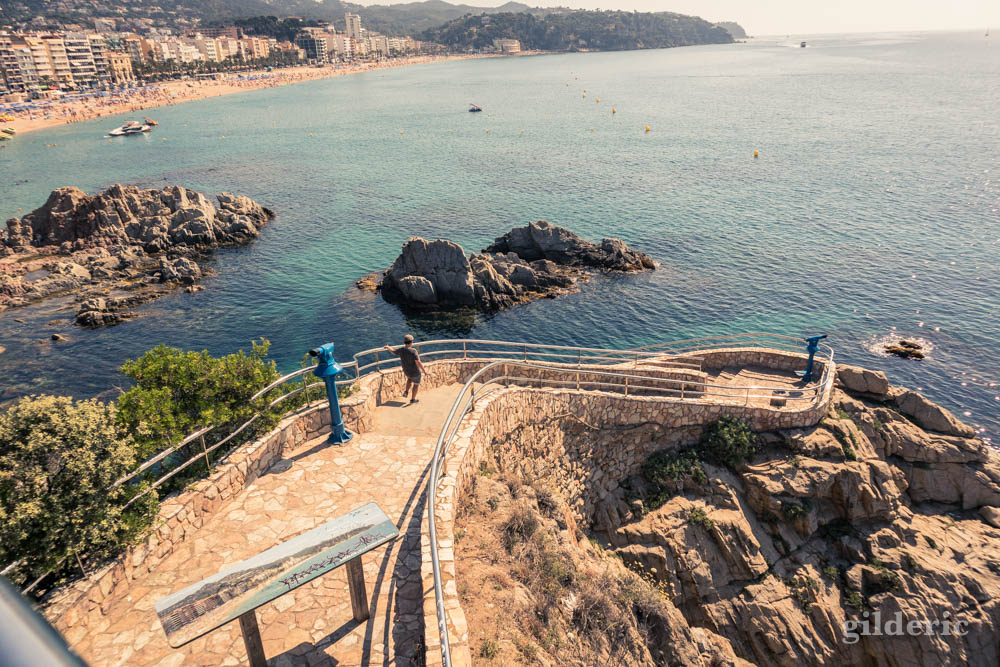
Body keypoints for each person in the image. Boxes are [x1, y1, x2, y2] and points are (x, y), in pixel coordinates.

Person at [384, 334, 425, 403]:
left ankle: (406, 391)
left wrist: (388, 347)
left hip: (406, 371)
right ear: (411, 342)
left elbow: (393, 352)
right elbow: (418, 362)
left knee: (409, 379)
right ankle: (413, 399)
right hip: (415, 372)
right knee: (416, 384)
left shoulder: (401, 350)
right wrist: (424, 371)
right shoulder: (413, 351)